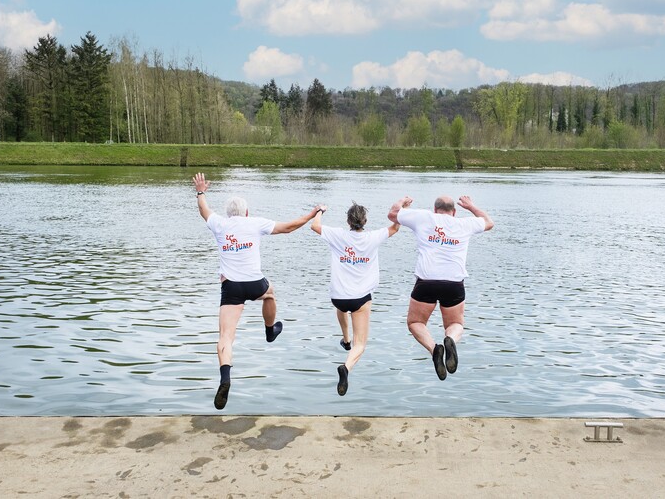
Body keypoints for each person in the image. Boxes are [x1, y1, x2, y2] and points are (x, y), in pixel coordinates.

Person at [192, 172, 322, 410]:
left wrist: (201, 191)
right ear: (247, 212)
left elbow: (203, 209)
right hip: (255, 283)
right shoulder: (255, 223)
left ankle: (225, 378)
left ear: (229, 213)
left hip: (230, 287)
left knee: (225, 336)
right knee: (270, 293)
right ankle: (270, 330)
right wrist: (312, 214)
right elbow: (289, 227)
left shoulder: (219, 223)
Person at [388, 194, 494, 380]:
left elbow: (393, 214)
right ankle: (450, 339)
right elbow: (488, 222)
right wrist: (471, 206)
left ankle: (434, 349)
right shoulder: (464, 224)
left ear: (435, 209)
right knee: (455, 324)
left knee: (415, 323)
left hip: (426, 282)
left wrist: (402, 203)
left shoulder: (423, 217)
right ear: (453, 212)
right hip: (453, 283)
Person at [310, 202, 399, 396]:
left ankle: (345, 338)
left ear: (348, 221)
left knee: (341, 307)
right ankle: (346, 367)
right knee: (361, 345)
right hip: (360, 299)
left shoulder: (338, 235)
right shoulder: (373, 237)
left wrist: (319, 211)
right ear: (364, 221)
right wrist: (402, 208)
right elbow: (395, 227)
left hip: (338, 298)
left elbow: (315, 226)